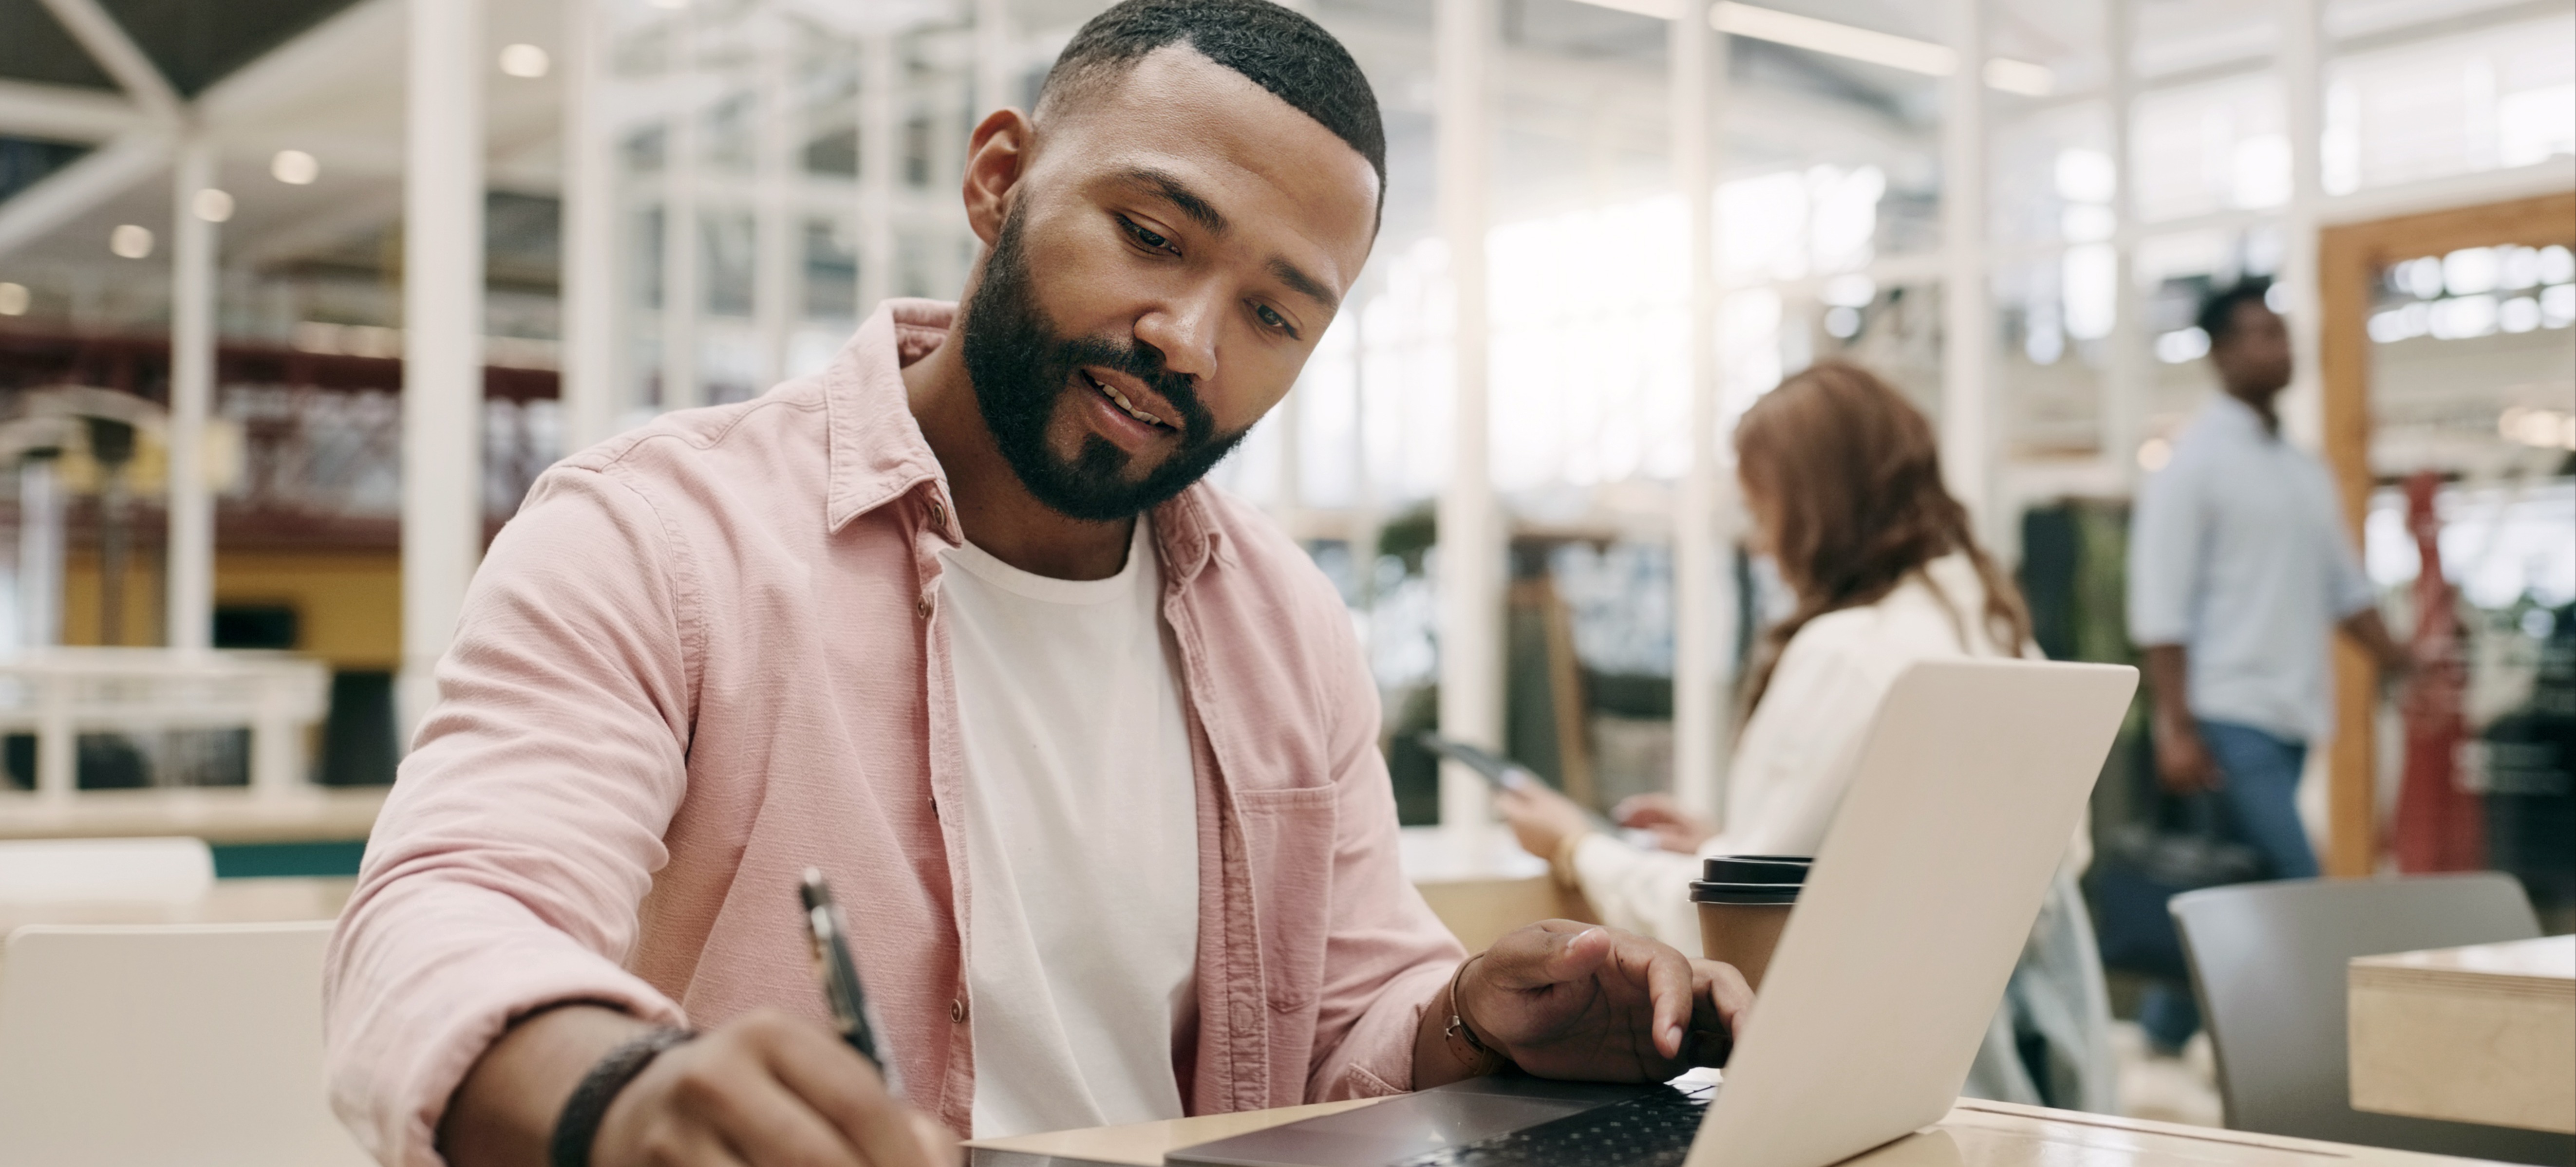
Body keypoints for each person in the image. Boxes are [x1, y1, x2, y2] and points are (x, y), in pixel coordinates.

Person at [323, 3, 1752, 1166]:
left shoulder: (1283, 625)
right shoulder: (658, 534)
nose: (1189, 339)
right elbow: (451, 914)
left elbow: (1341, 1033)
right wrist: (620, 1097)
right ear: (998, 177)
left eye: (1270, 311)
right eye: (1151, 234)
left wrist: (1475, 1021)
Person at [1495, 361, 2119, 1112]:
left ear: (1815, 503)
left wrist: (1574, 843)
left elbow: (1743, 936)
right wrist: (1730, 839)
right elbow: (1998, 864)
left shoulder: (1846, 652)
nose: (1759, 544)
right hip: (2004, 1071)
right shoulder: (1988, 626)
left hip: (1860, 1084)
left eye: (1763, 511)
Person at [2124, 278, 2412, 1053]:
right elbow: (2160, 608)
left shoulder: (2299, 469)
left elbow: (2343, 588)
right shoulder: (2192, 466)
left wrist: (2397, 659)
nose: (2278, 347)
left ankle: (2158, 1034)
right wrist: (2174, 727)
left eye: (2281, 332)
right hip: (2225, 715)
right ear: (2218, 354)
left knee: (2230, 885)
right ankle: (2324, 1053)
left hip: (2291, 715)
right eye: (2258, 334)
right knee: (2295, 885)